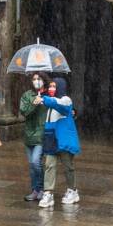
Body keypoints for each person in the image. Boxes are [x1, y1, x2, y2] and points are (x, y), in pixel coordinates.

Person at [36, 77, 81, 209]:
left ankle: (72, 190)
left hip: (63, 139)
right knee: (49, 165)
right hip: (51, 139)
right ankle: (48, 192)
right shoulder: (50, 102)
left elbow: (59, 105)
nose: (51, 89)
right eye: (50, 86)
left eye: (54, 86)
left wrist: (44, 99)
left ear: (60, 87)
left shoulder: (65, 100)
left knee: (68, 166)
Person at [19, 73, 49, 201]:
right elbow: (24, 111)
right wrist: (34, 104)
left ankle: (41, 188)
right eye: (34, 79)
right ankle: (35, 190)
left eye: (39, 79)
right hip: (29, 134)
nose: (36, 81)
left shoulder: (49, 95)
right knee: (32, 164)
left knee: (36, 162)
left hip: (42, 134)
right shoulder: (27, 95)